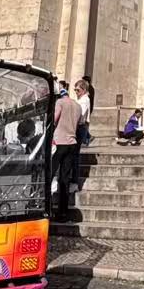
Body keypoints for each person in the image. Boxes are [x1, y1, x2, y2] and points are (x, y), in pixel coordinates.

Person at [51, 88, 82, 221]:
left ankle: (45, 207)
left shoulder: (60, 103)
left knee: (50, 173)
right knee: (65, 178)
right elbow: (80, 122)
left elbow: (54, 119)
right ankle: (63, 212)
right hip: (72, 142)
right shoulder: (77, 105)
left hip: (59, 142)